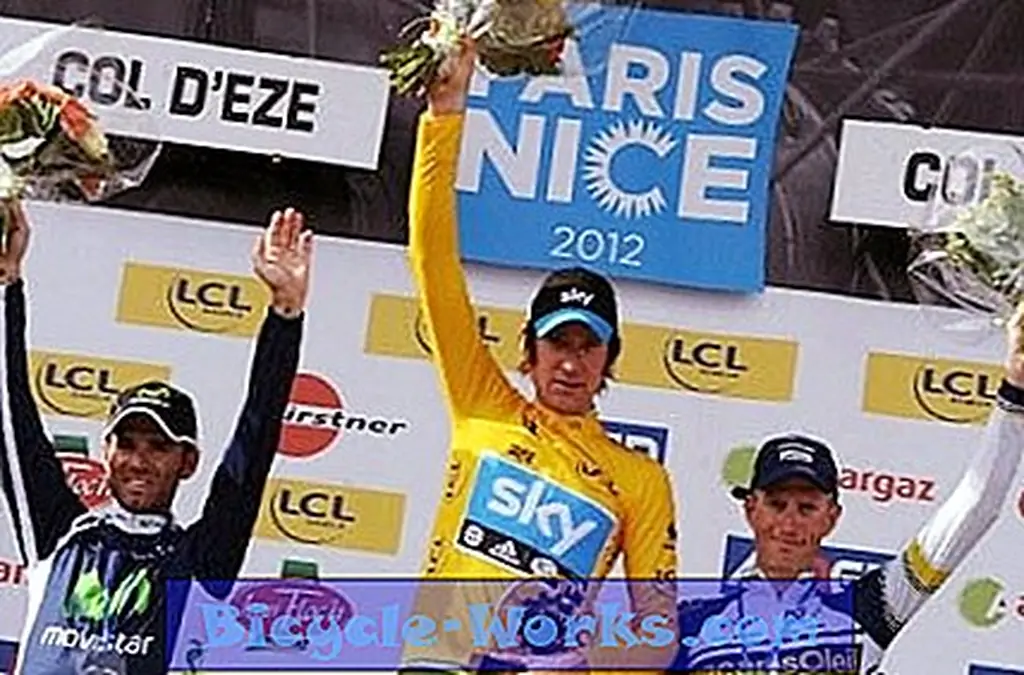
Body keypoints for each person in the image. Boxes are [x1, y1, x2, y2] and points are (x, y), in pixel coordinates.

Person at [402, 37, 679, 673]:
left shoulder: (640, 480)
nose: (571, 363)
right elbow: (433, 261)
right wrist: (444, 117)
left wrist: (578, 661)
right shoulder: (482, 404)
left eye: (588, 346)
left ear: (609, 360)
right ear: (529, 350)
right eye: (557, 343)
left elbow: (658, 634)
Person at [0, 202, 313, 675]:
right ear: (106, 452)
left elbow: (255, 440)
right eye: (126, 443)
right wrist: (7, 284)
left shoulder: (201, 559)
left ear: (188, 462)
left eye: (159, 446)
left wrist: (285, 317)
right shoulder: (60, 536)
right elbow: (11, 412)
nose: (138, 461)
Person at [672, 306, 1024, 673]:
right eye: (777, 505)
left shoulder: (871, 607)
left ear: (831, 517)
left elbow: (977, 505)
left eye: (807, 508)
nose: (789, 524)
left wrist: (1015, 390)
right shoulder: (692, 624)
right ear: (751, 509)